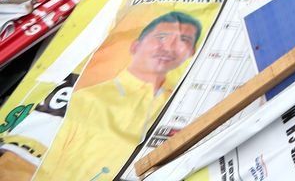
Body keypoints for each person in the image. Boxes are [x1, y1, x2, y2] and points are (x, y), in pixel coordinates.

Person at [36, 12, 202, 181]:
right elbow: (42, 167)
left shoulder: (186, 106)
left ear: (191, 53)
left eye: (184, 40)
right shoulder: (85, 98)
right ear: (135, 46)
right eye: (161, 36)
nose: (168, 47)